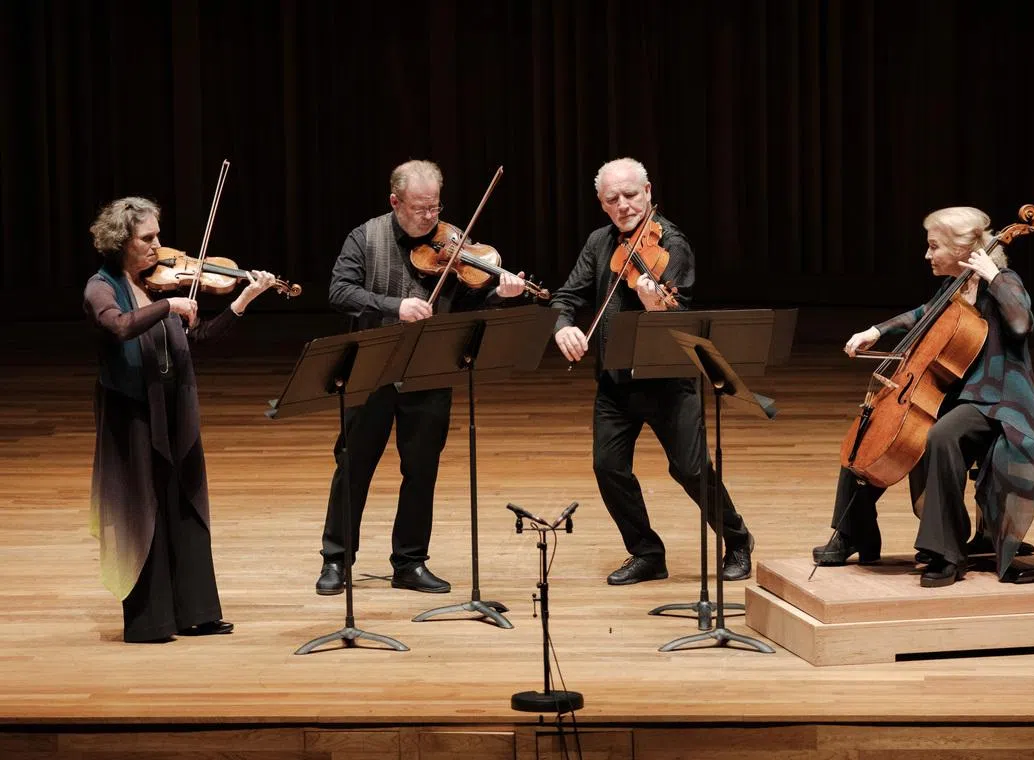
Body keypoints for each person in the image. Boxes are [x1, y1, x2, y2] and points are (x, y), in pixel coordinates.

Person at [315, 160, 526, 595]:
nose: (430, 218)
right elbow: (339, 291)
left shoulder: (452, 243)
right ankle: (337, 559)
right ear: (395, 202)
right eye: (419, 208)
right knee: (353, 465)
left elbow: (469, 306)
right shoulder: (365, 237)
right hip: (371, 368)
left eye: (435, 207)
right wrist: (395, 306)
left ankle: (409, 562)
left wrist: (499, 295)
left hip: (429, 369)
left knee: (421, 469)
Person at [812, 206, 1034, 587]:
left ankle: (948, 554)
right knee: (869, 426)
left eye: (933, 246)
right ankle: (854, 532)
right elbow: (924, 313)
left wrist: (994, 278)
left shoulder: (1002, 280)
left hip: (997, 400)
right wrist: (876, 330)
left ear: (961, 249)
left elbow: (1022, 324)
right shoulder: (954, 286)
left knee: (940, 436)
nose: (927, 255)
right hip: (955, 394)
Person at [549, 157, 754, 586]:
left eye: (630, 195)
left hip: (667, 380)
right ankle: (646, 552)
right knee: (608, 468)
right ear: (602, 204)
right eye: (613, 199)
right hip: (615, 382)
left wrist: (655, 305)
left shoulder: (672, 244)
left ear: (647, 191)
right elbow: (567, 294)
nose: (623, 206)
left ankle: (736, 538)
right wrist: (564, 325)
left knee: (691, 469)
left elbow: (681, 312)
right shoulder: (599, 243)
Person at [84, 196, 277, 642]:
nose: (158, 246)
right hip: (131, 413)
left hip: (175, 407)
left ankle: (196, 612)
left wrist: (244, 298)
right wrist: (169, 307)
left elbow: (202, 336)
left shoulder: (159, 285)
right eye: (147, 238)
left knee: (184, 502)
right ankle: (151, 620)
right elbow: (118, 326)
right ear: (121, 242)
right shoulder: (102, 287)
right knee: (144, 509)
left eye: (158, 236)